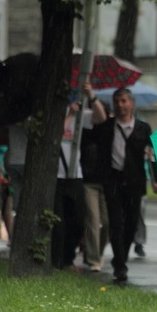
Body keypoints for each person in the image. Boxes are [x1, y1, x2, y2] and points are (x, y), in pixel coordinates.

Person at [87, 87, 157, 285]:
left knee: (131, 224)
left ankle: (122, 258)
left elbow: (153, 155)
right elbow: (88, 140)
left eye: (124, 101)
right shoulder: (106, 127)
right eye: (117, 101)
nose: (121, 105)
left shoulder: (143, 128)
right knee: (116, 223)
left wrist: (156, 179)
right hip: (112, 181)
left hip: (135, 183)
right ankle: (120, 266)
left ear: (132, 103)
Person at [51, 85, 107, 270]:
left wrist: (91, 94)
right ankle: (58, 261)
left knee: (77, 220)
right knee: (58, 223)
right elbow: (55, 135)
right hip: (57, 176)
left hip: (76, 175)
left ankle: (68, 256)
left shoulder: (80, 116)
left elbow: (101, 117)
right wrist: (69, 115)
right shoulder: (57, 115)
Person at [80, 94, 111, 272]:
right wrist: (91, 97)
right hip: (89, 181)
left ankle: (97, 252)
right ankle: (93, 259)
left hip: (106, 182)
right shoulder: (86, 128)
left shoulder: (111, 130)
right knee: (93, 219)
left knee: (107, 223)